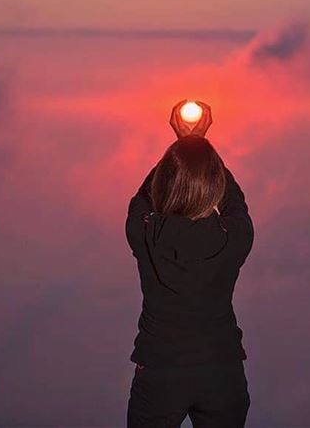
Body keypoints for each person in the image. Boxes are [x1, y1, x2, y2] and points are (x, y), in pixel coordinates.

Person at [124, 99, 255, 428]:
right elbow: (233, 198)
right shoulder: (234, 237)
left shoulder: (146, 232)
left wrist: (182, 145)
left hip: (160, 371)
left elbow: (143, 196)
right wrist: (200, 145)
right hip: (222, 371)